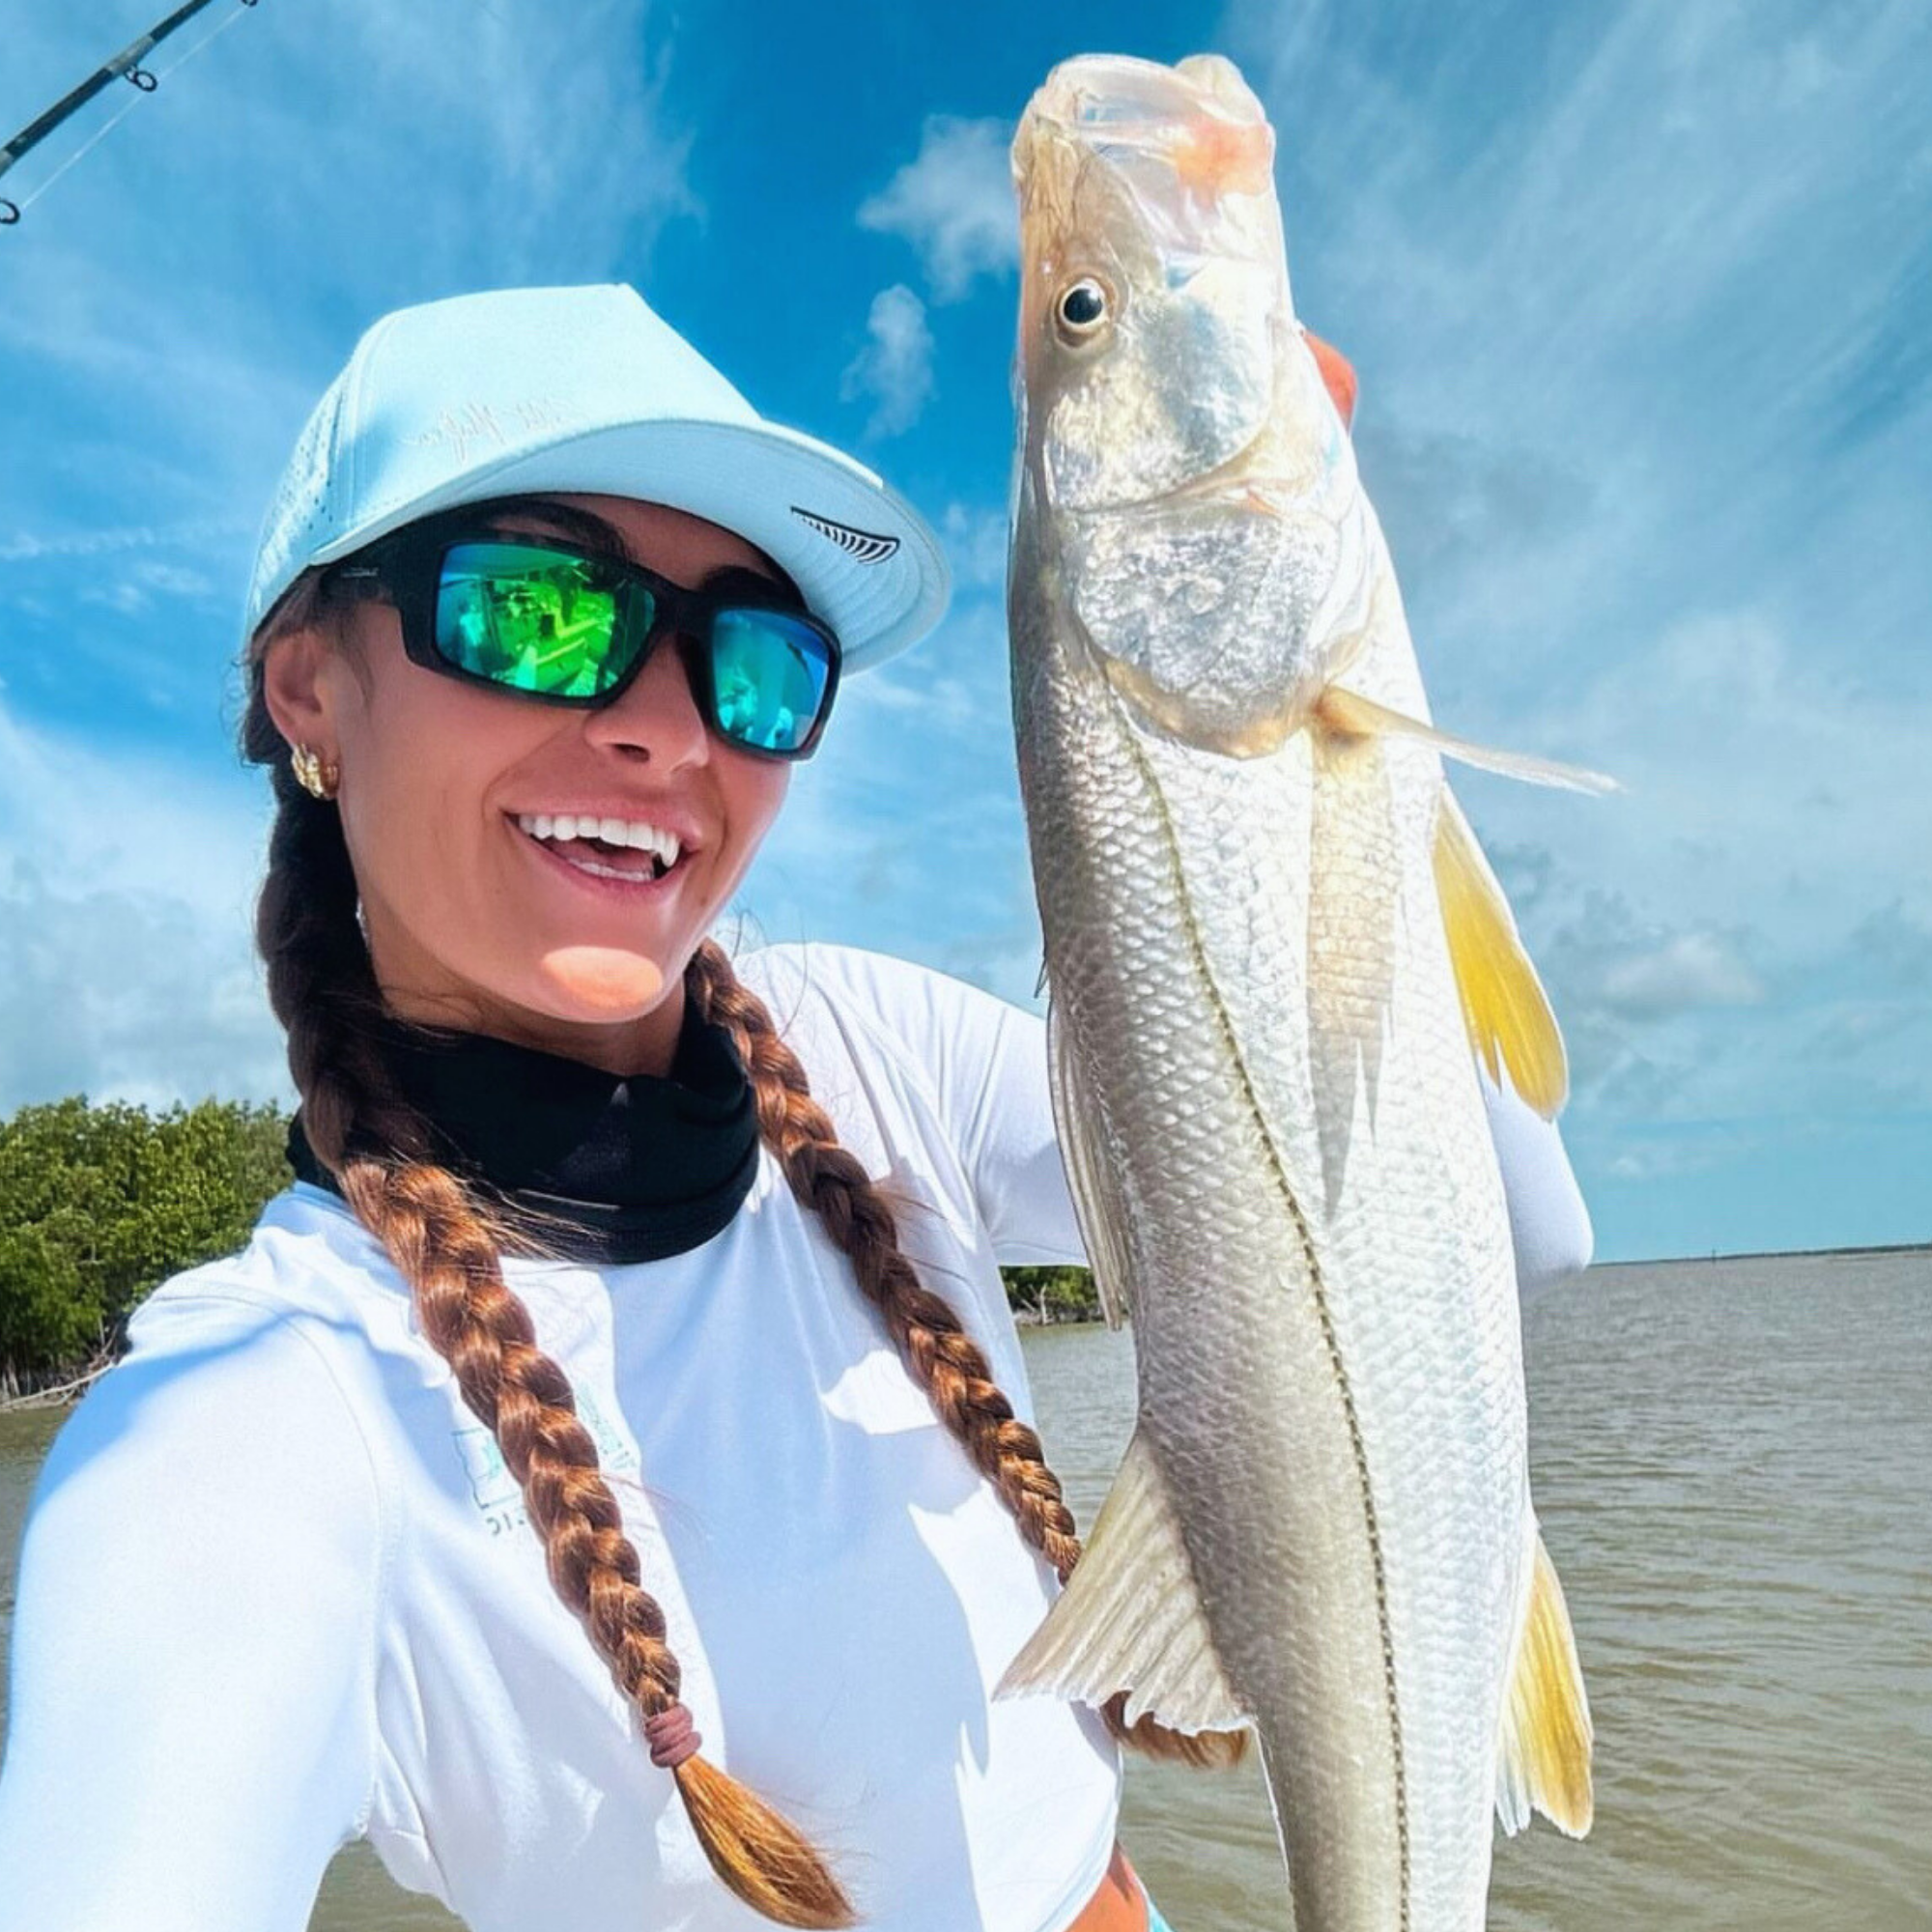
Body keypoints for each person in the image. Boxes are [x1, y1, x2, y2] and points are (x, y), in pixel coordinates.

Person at [0, 284, 1592, 1932]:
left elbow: (1516, 1225)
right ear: (311, 690)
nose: (669, 727)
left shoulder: (868, 1040)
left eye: (756, 661)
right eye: (542, 608)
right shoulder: (257, 1419)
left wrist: (1333, 740)